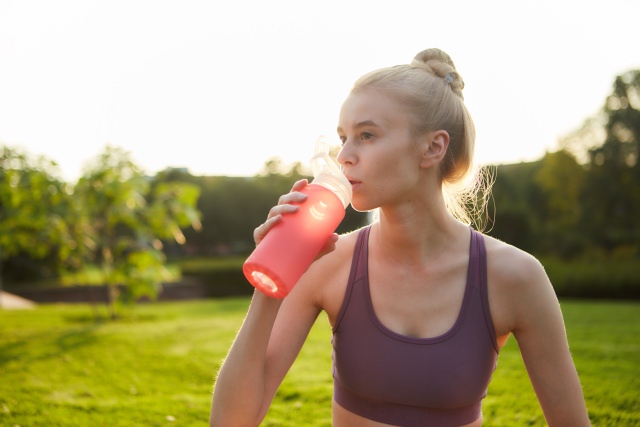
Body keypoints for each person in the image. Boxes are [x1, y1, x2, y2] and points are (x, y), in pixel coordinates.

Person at [209, 48, 591, 427]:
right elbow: (231, 421)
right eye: (343, 137)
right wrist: (273, 280)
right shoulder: (328, 262)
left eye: (367, 135)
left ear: (433, 147)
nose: (344, 156)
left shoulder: (517, 277)